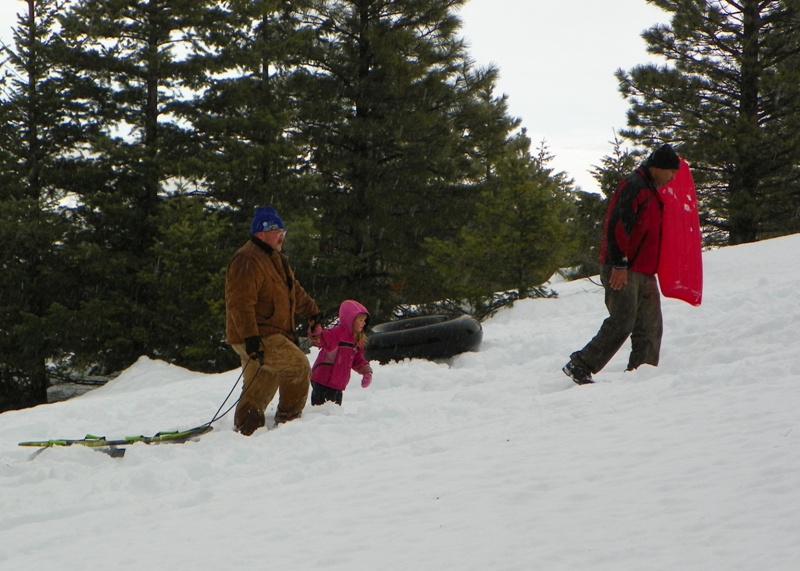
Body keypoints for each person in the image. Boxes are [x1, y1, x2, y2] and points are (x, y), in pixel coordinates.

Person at [562, 143, 681, 385]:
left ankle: (642, 375)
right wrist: (619, 264)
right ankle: (580, 365)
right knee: (623, 321)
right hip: (624, 269)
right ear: (658, 168)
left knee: (650, 326)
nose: (673, 178)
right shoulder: (634, 186)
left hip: (645, 271)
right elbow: (617, 226)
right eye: (672, 172)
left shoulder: (651, 188)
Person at [225, 206, 321, 435]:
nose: (282, 235)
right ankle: (289, 424)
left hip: (268, 335)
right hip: (259, 335)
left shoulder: (275, 259)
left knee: (262, 383)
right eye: (276, 230)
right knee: (297, 368)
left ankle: (246, 428)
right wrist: (251, 338)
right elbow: (240, 303)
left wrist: (312, 313)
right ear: (260, 234)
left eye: (283, 231)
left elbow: (292, 291)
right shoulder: (246, 260)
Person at [308, 299, 373, 406]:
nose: (364, 323)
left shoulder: (356, 340)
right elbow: (323, 340)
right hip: (322, 380)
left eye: (364, 320)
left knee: (334, 414)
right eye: (361, 320)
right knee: (320, 413)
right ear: (350, 319)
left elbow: (358, 360)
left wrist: (366, 372)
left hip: (338, 384)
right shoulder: (337, 333)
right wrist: (316, 333)